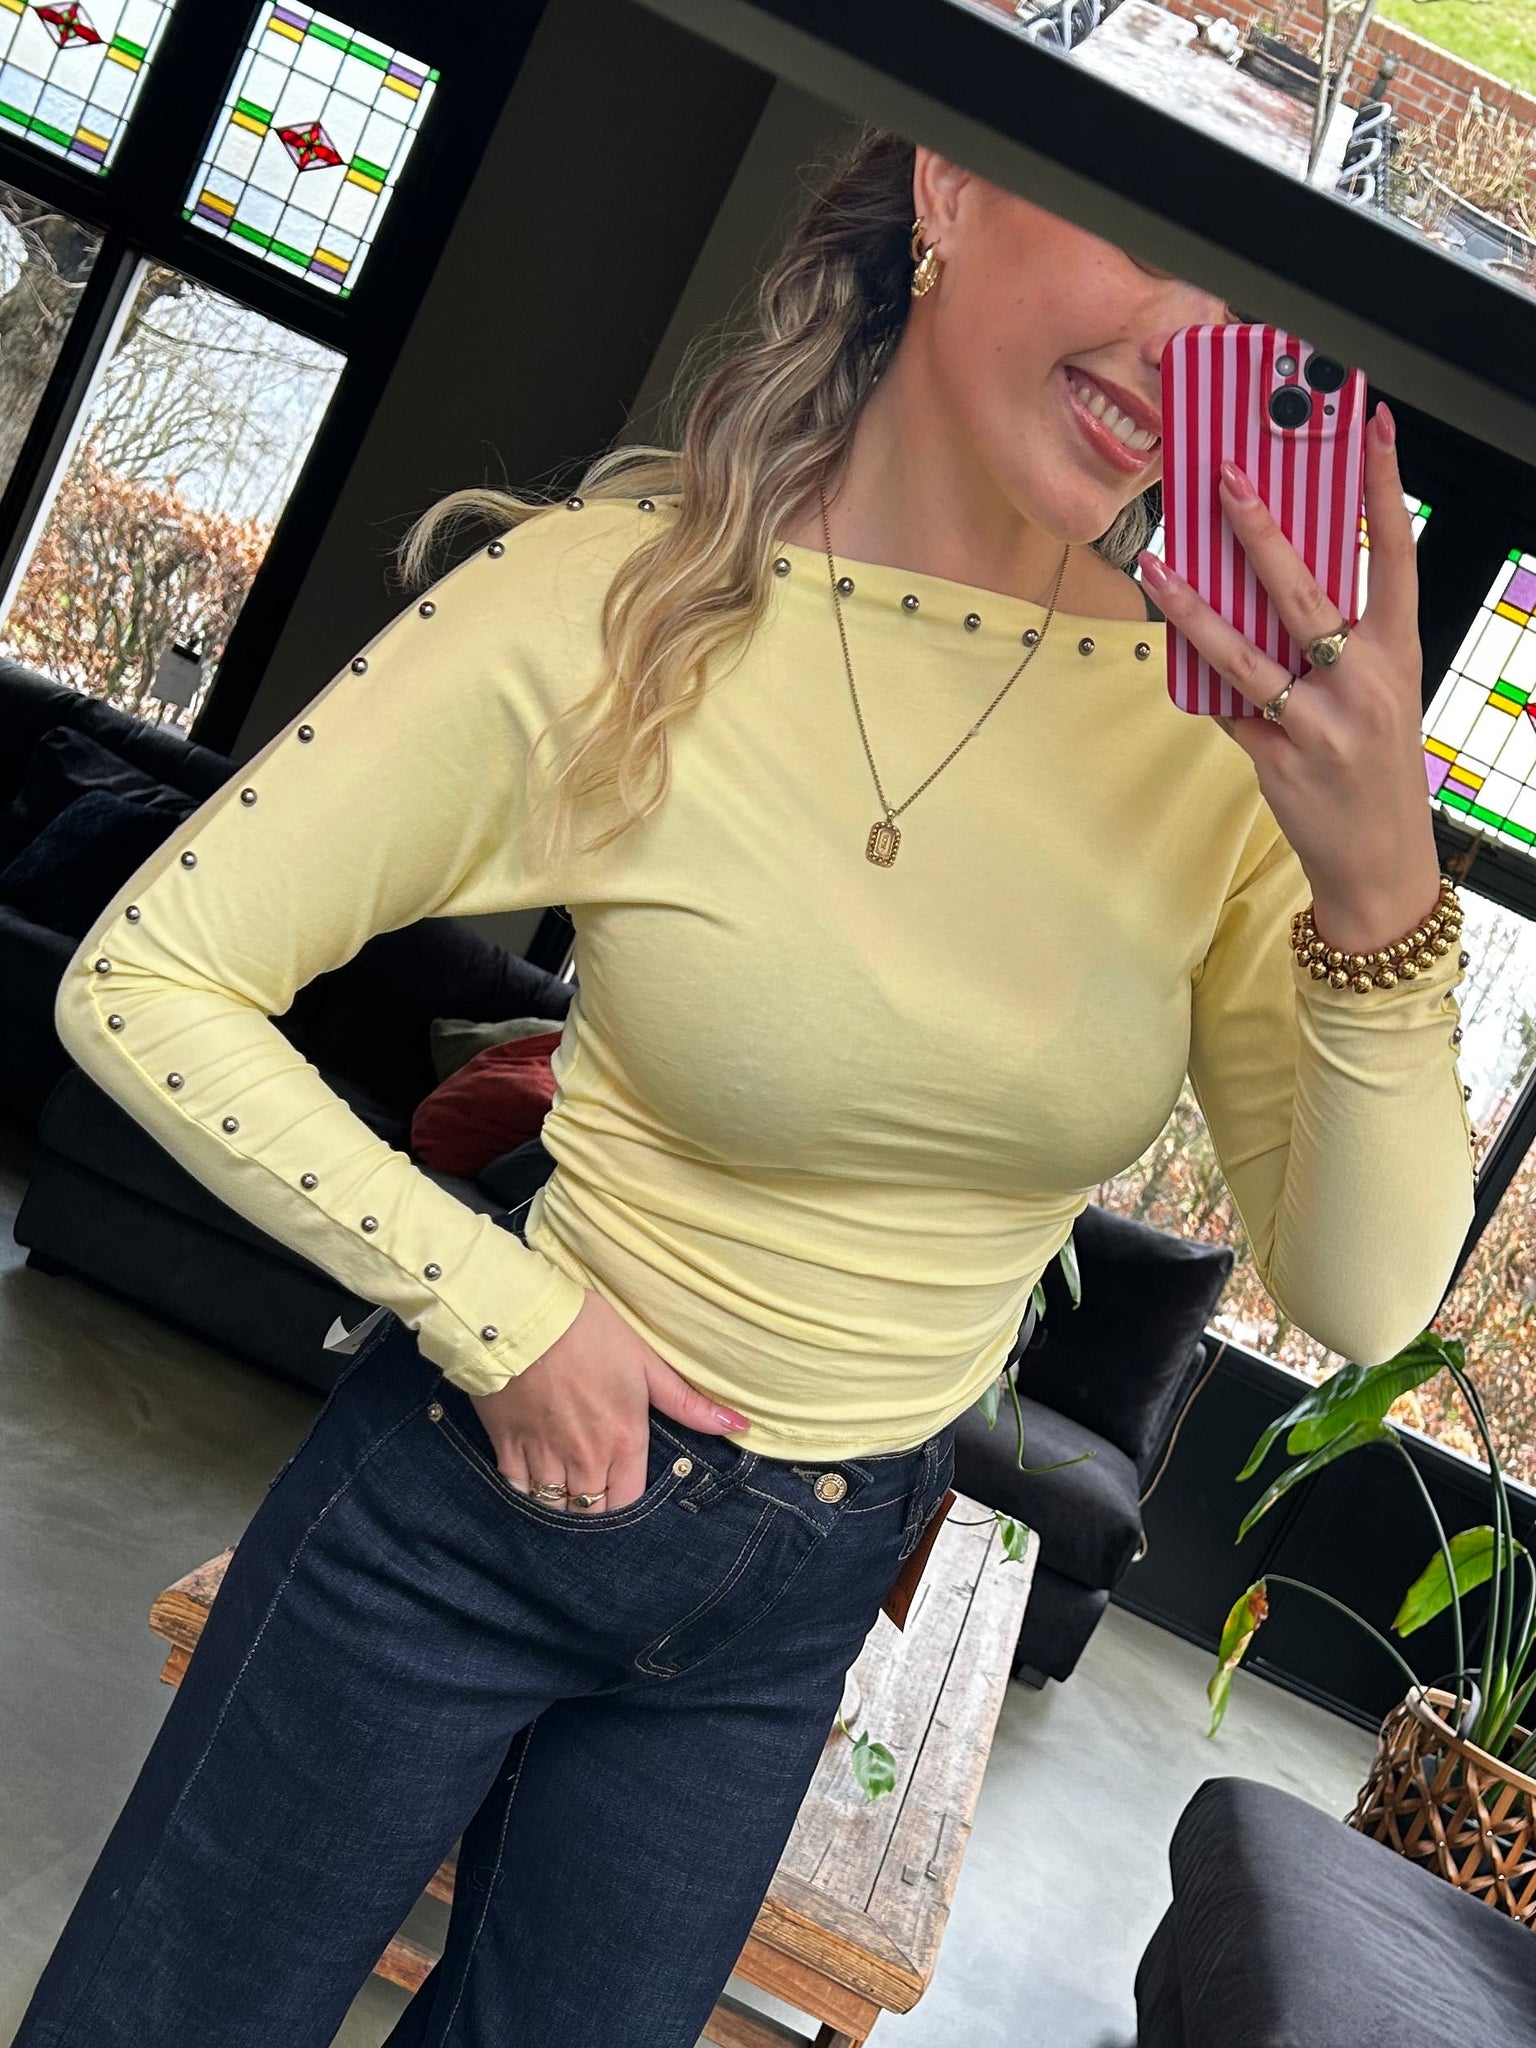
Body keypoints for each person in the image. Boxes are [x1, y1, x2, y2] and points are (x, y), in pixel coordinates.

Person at [18, 126, 1474, 2046]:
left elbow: (1370, 1294)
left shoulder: (1226, 736)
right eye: (1144, 227)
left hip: (804, 1596)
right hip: (470, 1507)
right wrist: (501, 1309)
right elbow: (147, 978)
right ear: (948, 182)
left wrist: (1380, 881)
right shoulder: (614, 601)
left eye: (1253, 306)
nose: (1180, 337)